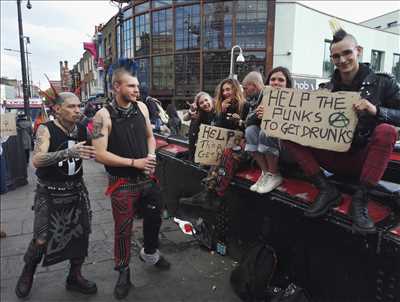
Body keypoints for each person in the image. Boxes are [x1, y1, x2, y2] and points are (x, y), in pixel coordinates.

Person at [283, 28, 400, 234]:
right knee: (287, 131)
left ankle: (360, 200)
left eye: (347, 53)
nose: (342, 60)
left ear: (359, 51)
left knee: (387, 130)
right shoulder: (325, 88)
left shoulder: (384, 83)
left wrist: (376, 110)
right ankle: (326, 189)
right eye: (336, 56)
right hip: (332, 157)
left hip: (364, 161)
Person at [91, 68, 170, 300]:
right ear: (117, 87)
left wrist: (152, 156)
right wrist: (136, 162)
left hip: (147, 178)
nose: (137, 90)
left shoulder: (142, 107)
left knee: (155, 217)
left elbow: (149, 136)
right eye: (131, 86)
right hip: (122, 182)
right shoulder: (102, 116)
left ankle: (150, 253)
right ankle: (123, 271)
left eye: (137, 86)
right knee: (123, 229)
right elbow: (100, 154)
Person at [15, 92, 97, 298]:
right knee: (41, 238)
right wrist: (68, 153)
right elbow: (37, 160)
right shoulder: (46, 129)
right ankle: (28, 273)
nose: (77, 110)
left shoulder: (80, 129)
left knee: (81, 234)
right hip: (49, 193)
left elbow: (98, 141)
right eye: (71, 107)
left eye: (79, 106)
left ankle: (74, 276)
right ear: (57, 109)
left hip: (76, 191)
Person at [244, 68, 293, 194]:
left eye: (281, 80)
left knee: (266, 131)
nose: (276, 82)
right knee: (250, 131)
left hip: (288, 148)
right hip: (271, 147)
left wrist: (272, 117)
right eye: (273, 79)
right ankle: (266, 173)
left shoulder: (296, 99)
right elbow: (247, 121)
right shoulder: (263, 97)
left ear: (287, 83)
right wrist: (258, 115)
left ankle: (274, 173)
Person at [184, 91, 215, 161]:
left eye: (206, 100)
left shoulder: (219, 109)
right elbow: (185, 118)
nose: (205, 104)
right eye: (201, 103)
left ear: (211, 99)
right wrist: (191, 111)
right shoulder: (198, 114)